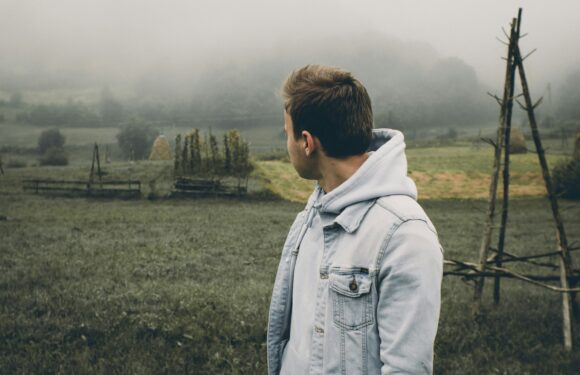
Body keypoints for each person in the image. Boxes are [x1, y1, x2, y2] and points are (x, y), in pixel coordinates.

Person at [267, 65, 443, 374]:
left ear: (307, 143)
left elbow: (407, 368)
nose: (287, 144)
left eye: (287, 134)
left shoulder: (405, 237)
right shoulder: (311, 216)